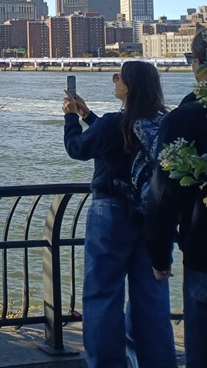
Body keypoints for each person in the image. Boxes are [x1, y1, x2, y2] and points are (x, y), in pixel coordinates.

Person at [62, 61, 176, 368]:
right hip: (152, 216)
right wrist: (89, 117)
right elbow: (125, 142)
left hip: (110, 213)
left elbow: (78, 149)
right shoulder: (165, 123)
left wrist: (71, 118)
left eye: (118, 77)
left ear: (129, 86)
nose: (114, 81)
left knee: (103, 297)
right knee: (152, 299)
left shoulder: (113, 123)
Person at [147, 29, 207, 367]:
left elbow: (164, 195)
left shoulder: (184, 118)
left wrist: (160, 257)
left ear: (195, 64)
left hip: (203, 255)